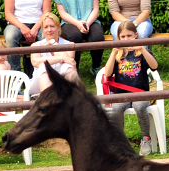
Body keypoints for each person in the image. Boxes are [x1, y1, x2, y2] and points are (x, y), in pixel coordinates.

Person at [104, 20, 158, 156]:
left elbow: (154, 66)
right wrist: (113, 53)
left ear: (135, 35)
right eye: (123, 37)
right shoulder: (118, 55)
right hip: (122, 94)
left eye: (129, 36)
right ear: (118, 38)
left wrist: (143, 50)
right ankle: (119, 142)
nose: (126, 39)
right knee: (116, 109)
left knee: (140, 107)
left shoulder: (141, 53)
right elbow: (108, 73)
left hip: (141, 93)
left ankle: (146, 139)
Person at [29, 13, 80, 95]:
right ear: (42, 29)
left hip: (62, 81)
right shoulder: (36, 45)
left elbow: (69, 61)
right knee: (44, 67)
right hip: (39, 84)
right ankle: (50, 101)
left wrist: (54, 44)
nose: (49, 30)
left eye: (52, 26)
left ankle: (75, 98)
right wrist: (61, 59)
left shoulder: (70, 44)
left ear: (59, 27)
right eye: (46, 27)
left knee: (69, 67)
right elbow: (36, 62)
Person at [4, 0, 52, 77]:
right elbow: (8, 14)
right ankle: (16, 76)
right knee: (10, 38)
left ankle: (46, 73)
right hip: (16, 24)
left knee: (47, 38)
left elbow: (47, 12)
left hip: (39, 24)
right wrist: (22, 27)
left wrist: (35, 28)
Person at [55, 0, 105, 75]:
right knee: (75, 36)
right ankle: (74, 68)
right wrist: (77, 23)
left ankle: (95, 66)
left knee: (97, 37)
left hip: (90, 21)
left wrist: (87, 23)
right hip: (68, 23)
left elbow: (95, 9)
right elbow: (62, 13)